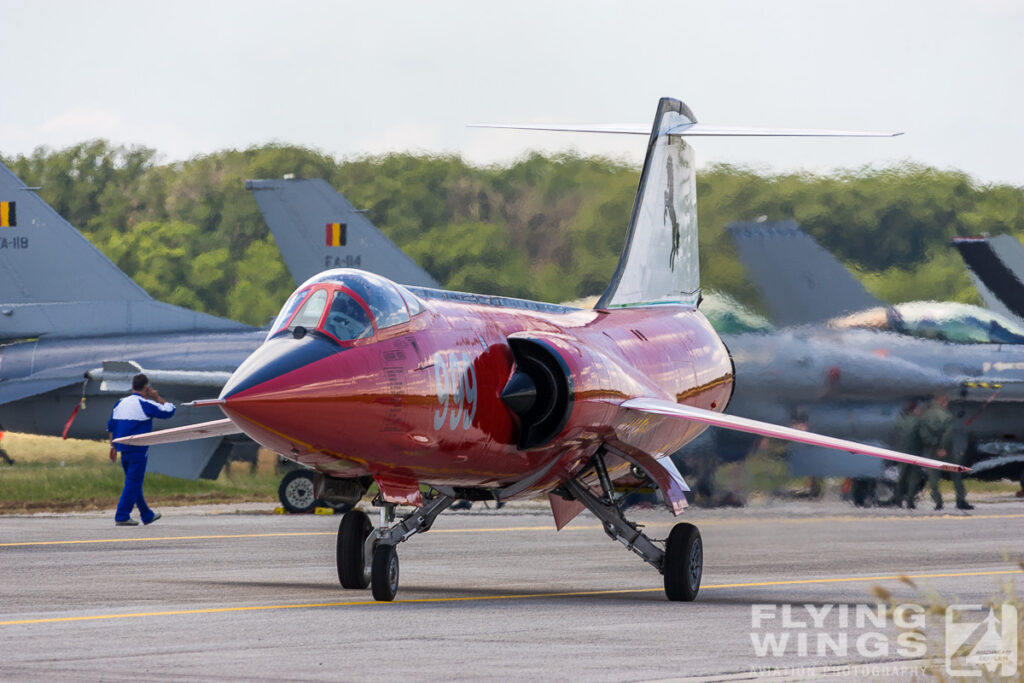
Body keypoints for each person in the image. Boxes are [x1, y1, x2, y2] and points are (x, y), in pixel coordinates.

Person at [107, 374, 176, 526]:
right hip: (138, 449)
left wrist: (112, 447)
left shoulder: (120, 403)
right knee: (133, 482)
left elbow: (110, 426)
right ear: (146, 388)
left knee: (133, 482)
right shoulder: (145, 404)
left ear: (132, 386)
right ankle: (122, 515)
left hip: (122, 448)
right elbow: (169, 410)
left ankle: (146, 514)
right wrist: (156, 397)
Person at [917, 394, 973, 511]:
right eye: (945, 401)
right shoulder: (947, 416)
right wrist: (942, 448)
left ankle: (938, 503)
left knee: (933, 480)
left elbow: (924, 434)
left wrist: (935, 446)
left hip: (932, 452)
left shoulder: (925, 416)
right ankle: (960, 501)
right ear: (942, 402)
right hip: (947, 452)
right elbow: (947, 435)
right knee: (956, 476)